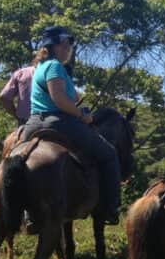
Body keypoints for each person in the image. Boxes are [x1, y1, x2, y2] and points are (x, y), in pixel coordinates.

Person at [21, 26, 121, 224]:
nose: (68, 48)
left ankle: (29, 214)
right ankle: (111, 207)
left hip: (32, 123)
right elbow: (58, 99)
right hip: (59, 121)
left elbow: (70, 95)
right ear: (53, 46)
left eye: (69, 45)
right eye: (65, 44)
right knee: (109, 154)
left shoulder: (41, 67)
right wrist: (82, 116)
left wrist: (74, 93)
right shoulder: (55, 66)